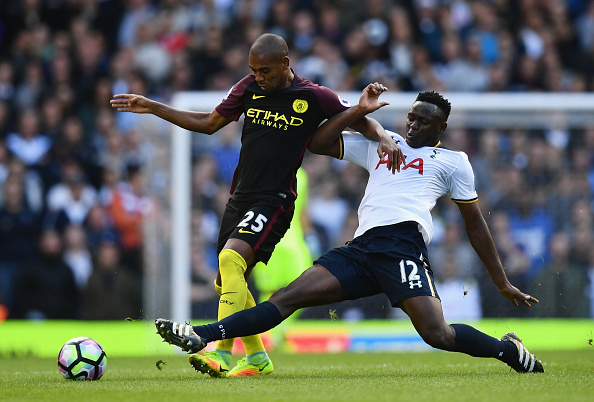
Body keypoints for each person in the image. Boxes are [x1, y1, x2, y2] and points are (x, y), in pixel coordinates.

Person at [155, 88, 545, 375]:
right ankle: (201, 334)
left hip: (402, 248)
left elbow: (474, 224)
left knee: (437, 335)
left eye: (423, 121)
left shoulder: (453, 161)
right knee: (287, 296)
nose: (412, 124)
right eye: (411, 116)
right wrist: (362, 114)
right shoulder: (382, 145)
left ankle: (507, 351)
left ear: (440, 127)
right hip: (360, 250)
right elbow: (320, 142)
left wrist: (501, 281)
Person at [111, 33, 401, 378]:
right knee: (228, 281)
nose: (258, 77)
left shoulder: (313, 96)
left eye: (264, 71)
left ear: (285, 64)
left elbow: (361, 119)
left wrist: (382, 134)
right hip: (241, 198)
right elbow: (208, 124)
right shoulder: (248, 88)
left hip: (275, 199)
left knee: (231, 259)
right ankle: (258, 357)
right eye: (254, 71)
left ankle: (220, 353)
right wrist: (154, 106)